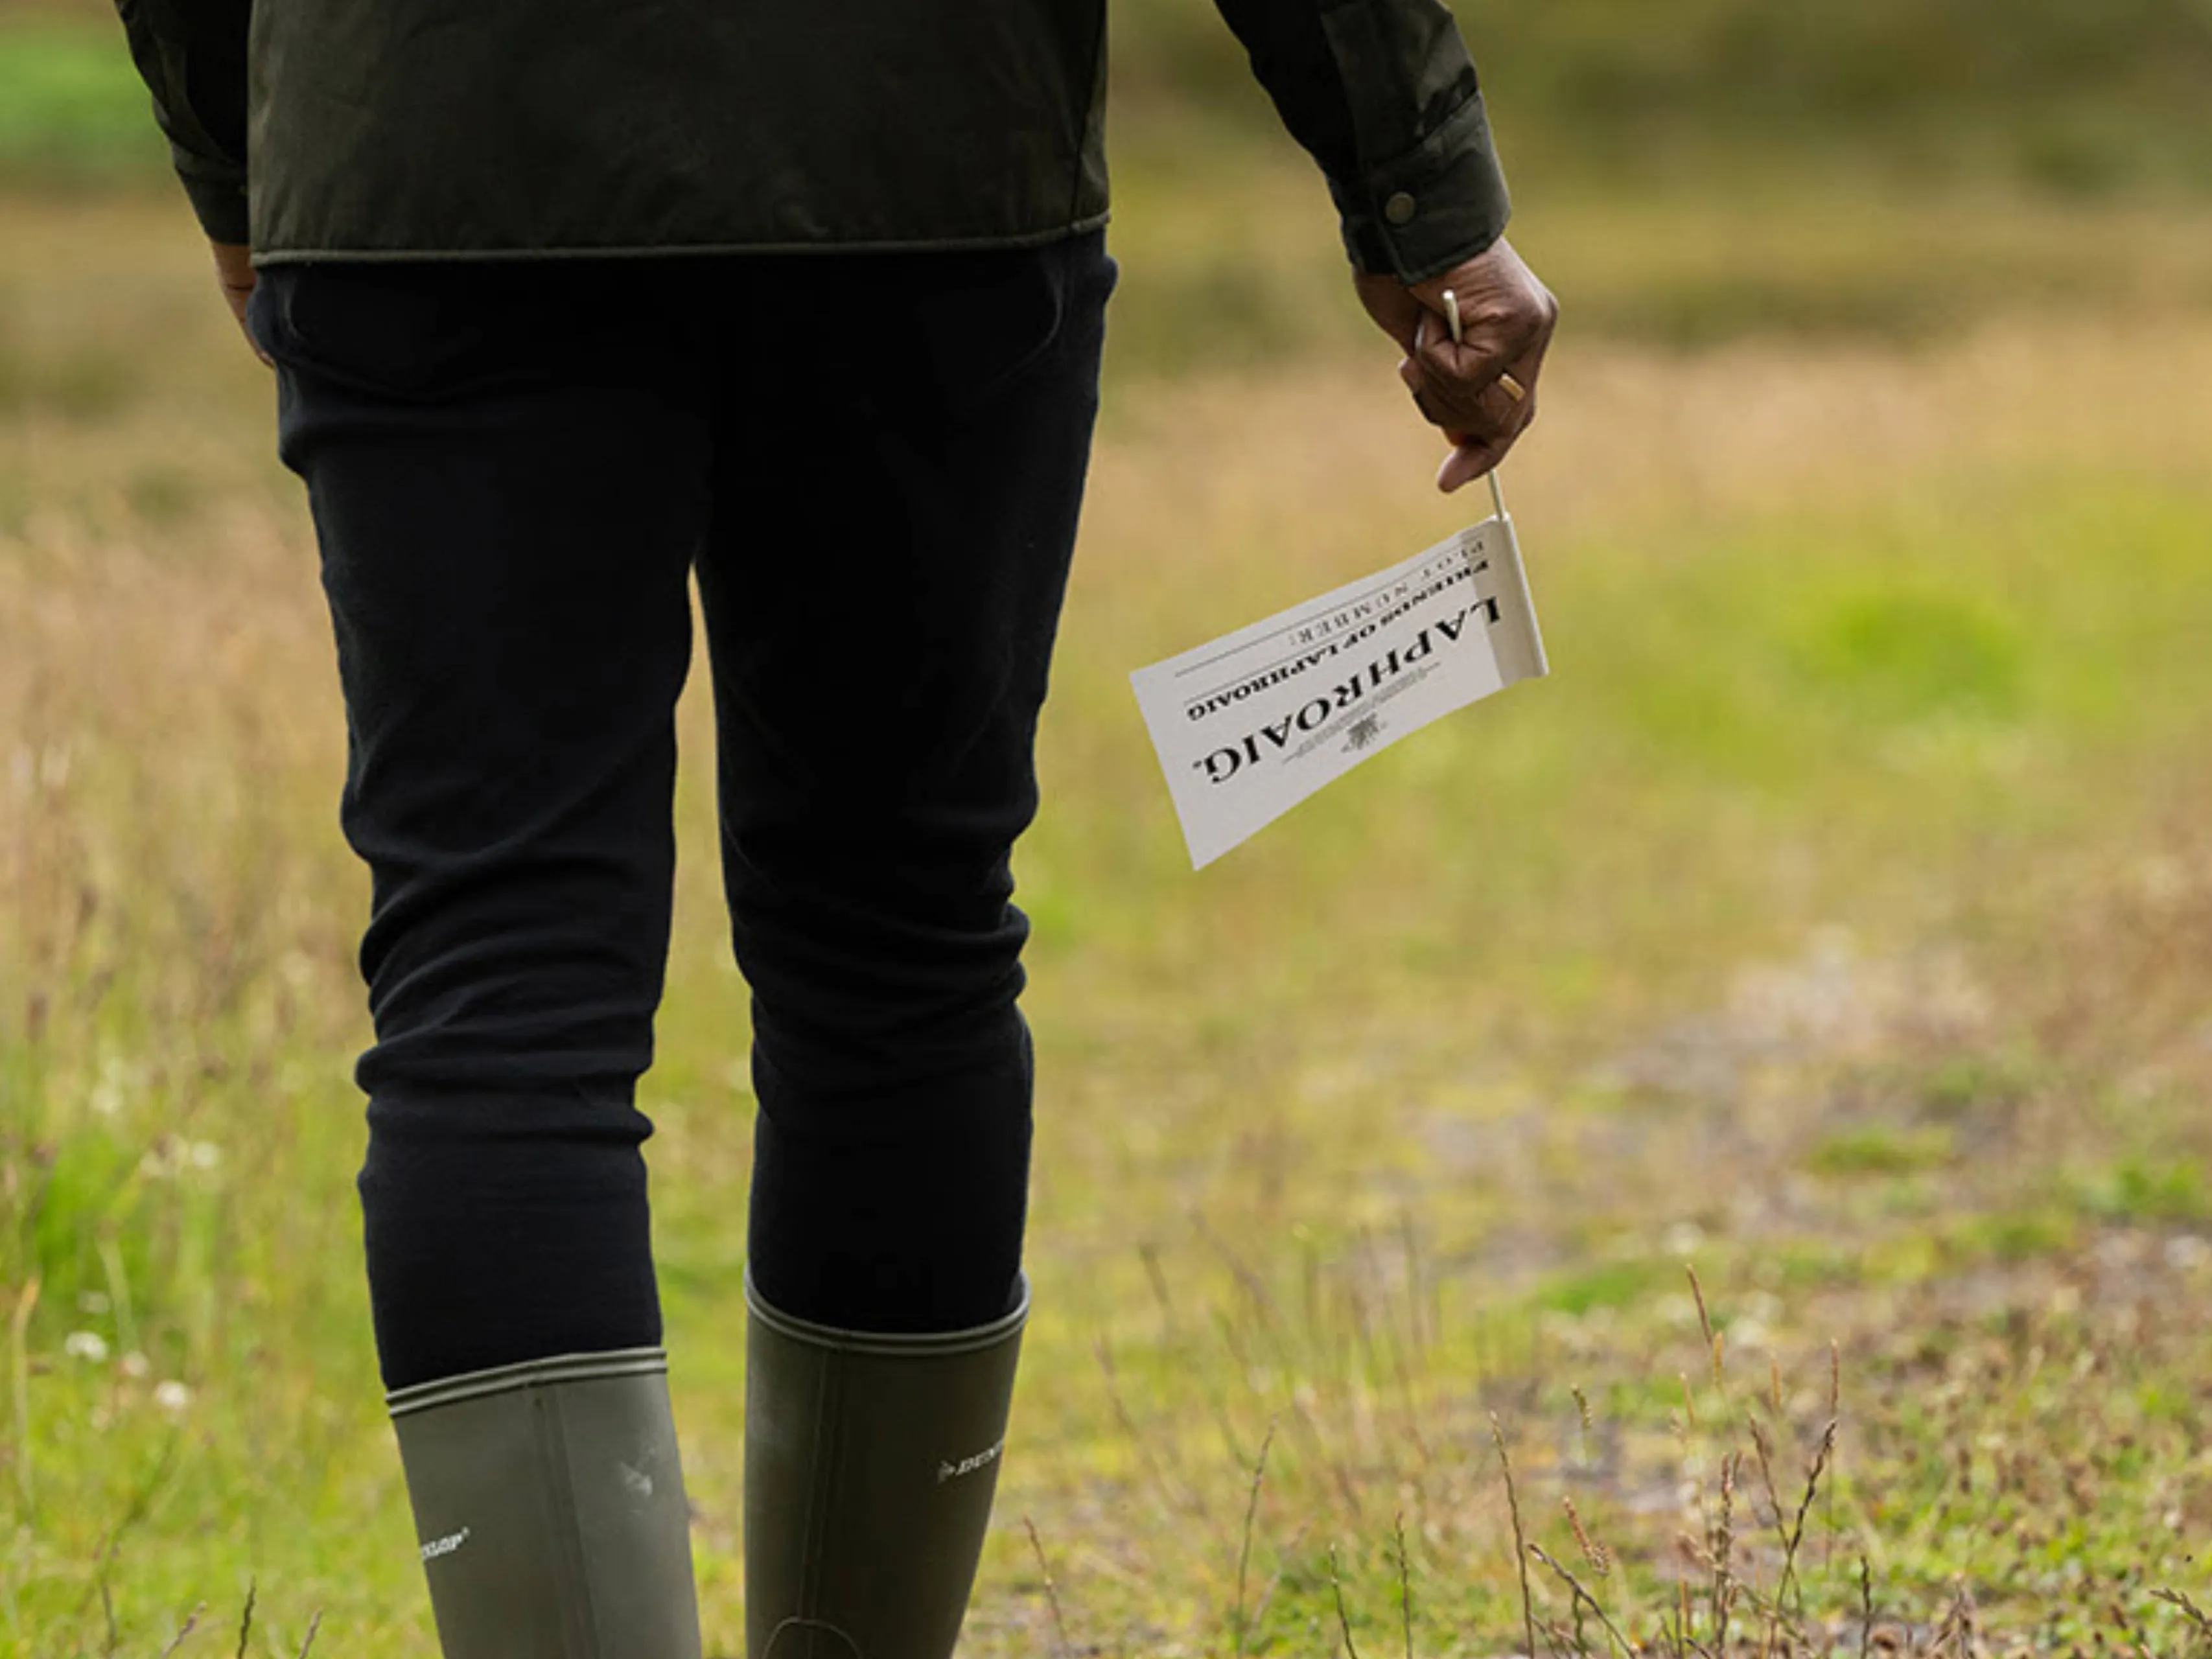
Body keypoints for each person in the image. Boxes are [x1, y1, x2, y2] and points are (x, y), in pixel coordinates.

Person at [111, 0, 1557, 1653]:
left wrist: (253, 159)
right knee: (897, 935)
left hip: (422, 150)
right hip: (925, 148)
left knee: (496, 977)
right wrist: (1419, 195)